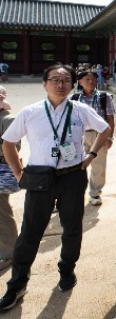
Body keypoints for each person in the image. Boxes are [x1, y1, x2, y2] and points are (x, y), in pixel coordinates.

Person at [0, 64, 111, 310]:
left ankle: (67, 270)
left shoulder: (80, 110)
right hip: (39, 179)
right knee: (30, 233)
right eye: (54, 79)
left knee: (72, 228)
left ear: (72, 84)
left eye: (65, 80)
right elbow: (8, 143)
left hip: (73, 177)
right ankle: (17, 284)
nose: (60, 85)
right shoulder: (31, 112)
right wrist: (19, 174)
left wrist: (91, 155)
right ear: (44, 83)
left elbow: (105, 129)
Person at [73, 70, 116, 206]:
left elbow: (110, 119)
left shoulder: (104, 97)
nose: (90, 81)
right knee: (77, 164)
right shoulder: (74, 99)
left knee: (99, 164)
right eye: (87, 79)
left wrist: (109, 137)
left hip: (99, 134)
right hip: (80, 135)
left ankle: (95, 193)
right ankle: (76, 192)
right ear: (80, 81)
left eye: (93, 79)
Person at [0, 87, 18, 273]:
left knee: (2, 213)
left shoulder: (8, 120)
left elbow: (13, 147)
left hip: (2, 169)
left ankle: (9, 252)